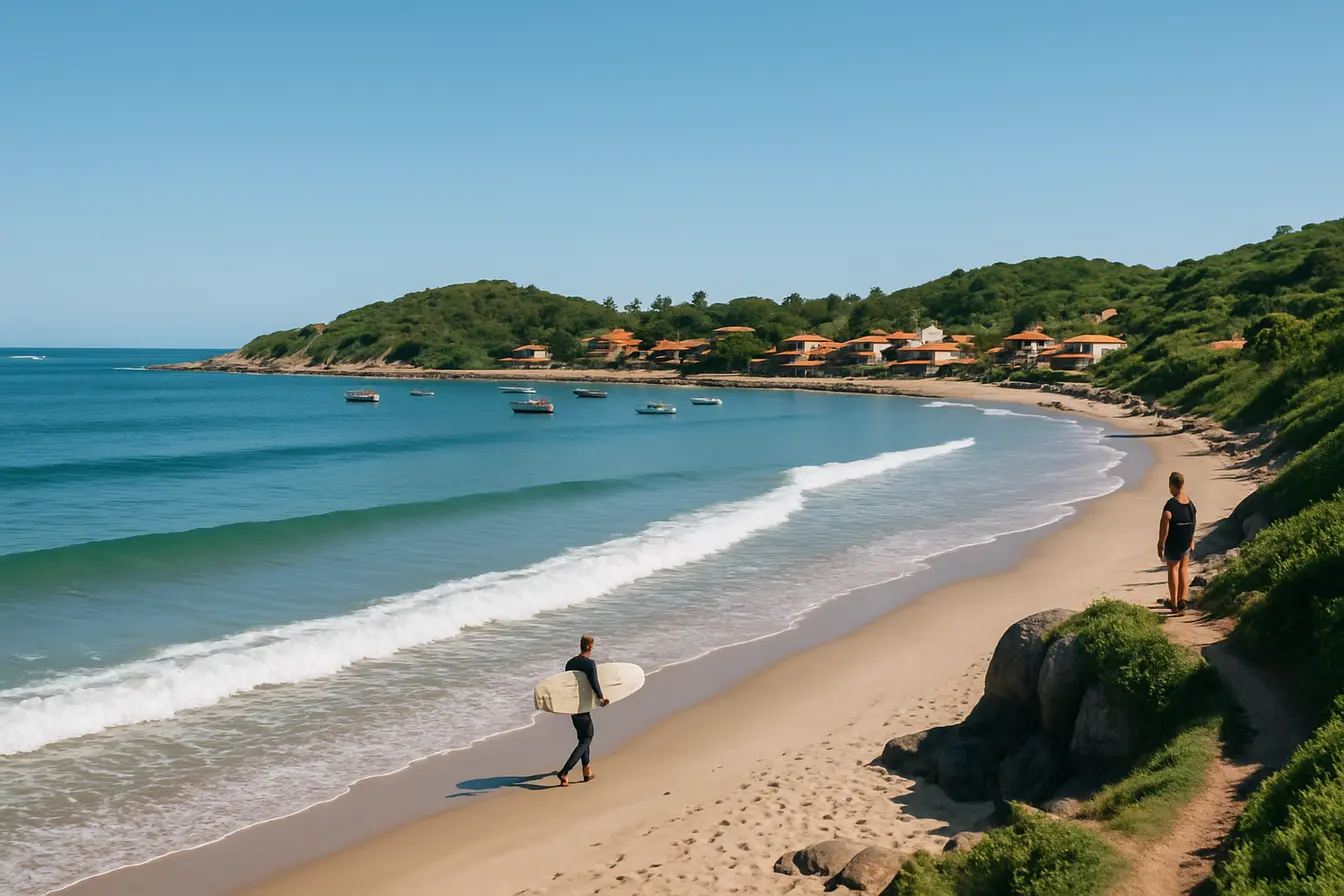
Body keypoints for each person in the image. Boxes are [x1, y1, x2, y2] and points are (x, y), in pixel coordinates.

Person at [556, 634, 608, 786]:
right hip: (583, 706)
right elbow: (594, 683)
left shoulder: (570, 663)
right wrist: (601, 698)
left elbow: (567, 683)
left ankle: (587, 771)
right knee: (587, 738)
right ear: (591, 647)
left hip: (573, 706)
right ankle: (564, 772)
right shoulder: (590, 664)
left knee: (583, 738)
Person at [1158, 471, 1197, 615]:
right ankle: (1183, 599)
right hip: (1186, 540)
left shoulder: (1171, 504)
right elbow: (1193, 521)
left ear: (1172, 485)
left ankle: (1174, 603)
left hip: (1173, 542)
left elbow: (1165, 523)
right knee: (1183, 569)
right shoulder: (1189, 503)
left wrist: (1160, 543)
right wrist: (1191, 539)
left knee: (1173, 569)